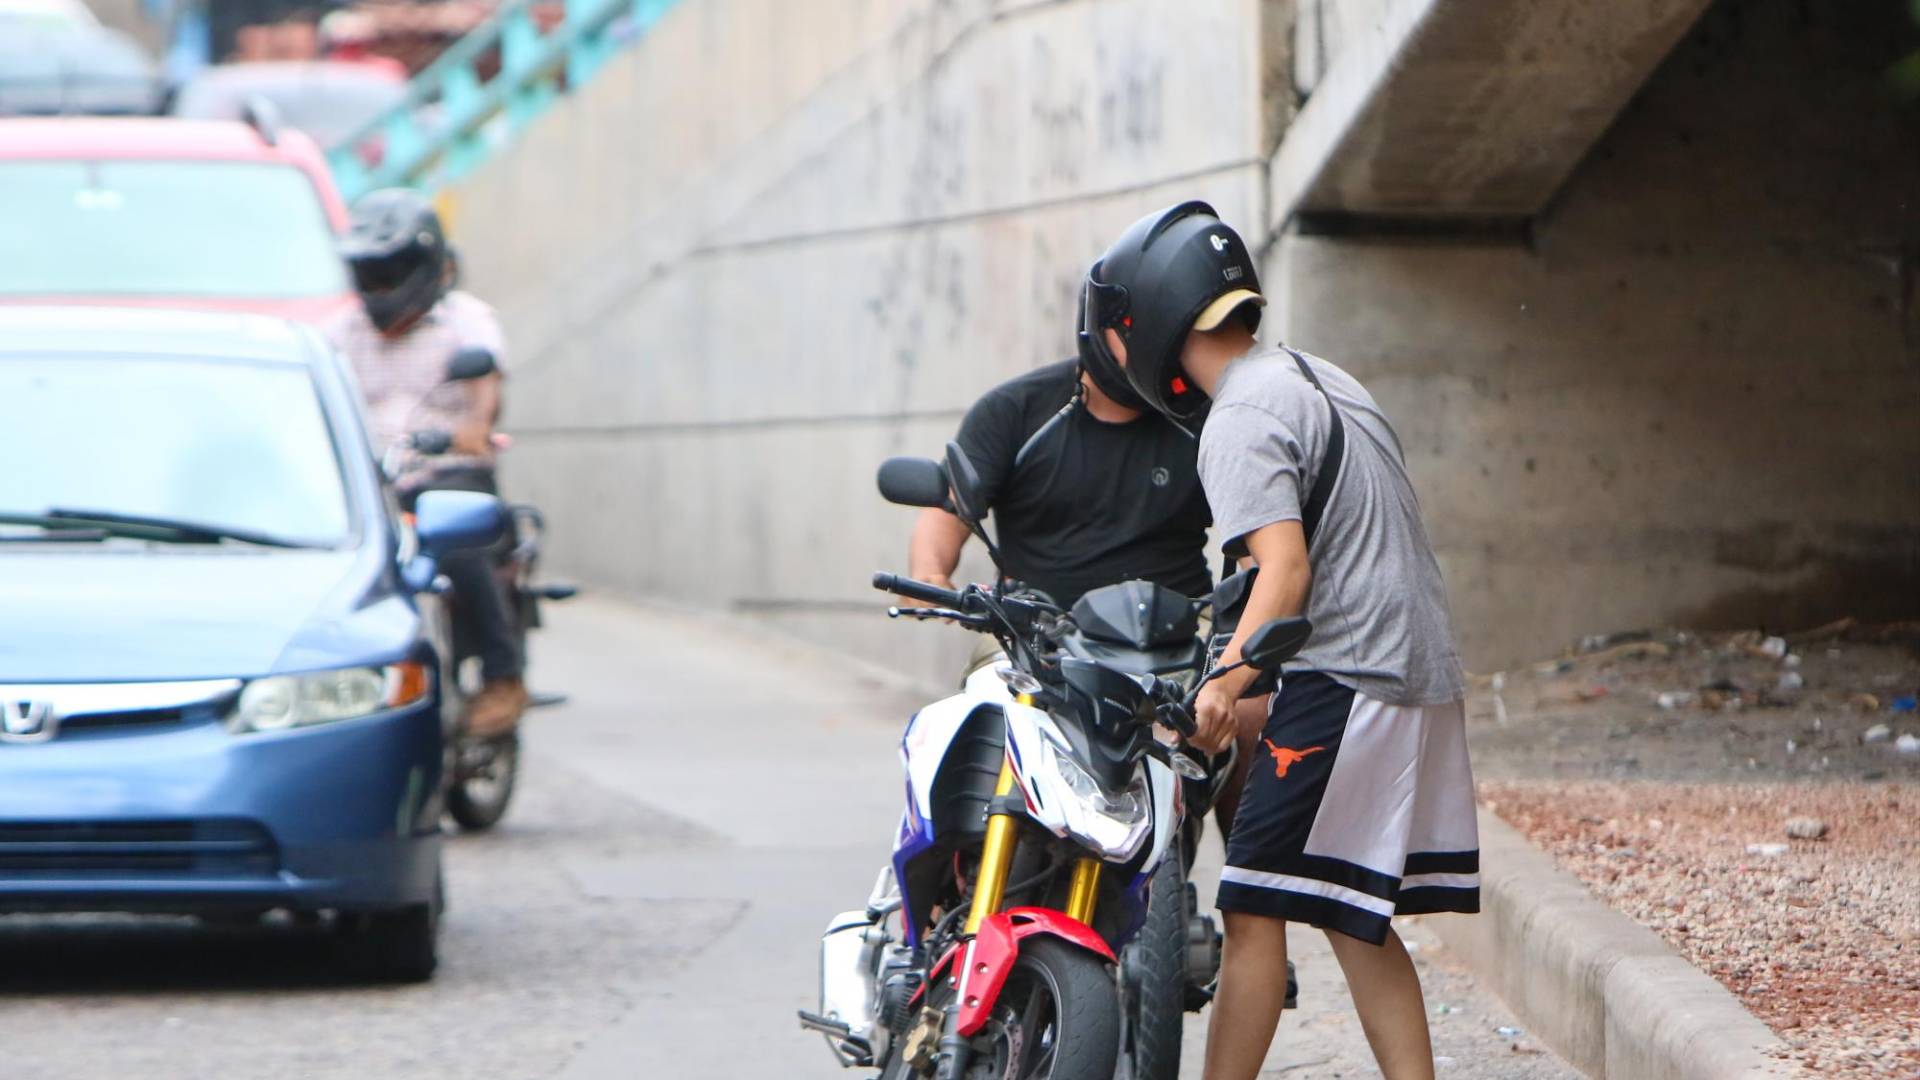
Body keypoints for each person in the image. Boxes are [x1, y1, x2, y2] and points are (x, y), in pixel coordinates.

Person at [1084, 200, 1478, 1080]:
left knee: (1253, 906)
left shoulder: (1240, 417)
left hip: (1349, 677)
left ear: (1155, 323)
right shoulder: (1321, 376)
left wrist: (1223, 685)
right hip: (1415, 670)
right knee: (1347, 911)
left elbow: (1285, 571)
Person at [329, 188, 527, 738]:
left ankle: (502, 677)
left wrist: (476, 427)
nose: (382, 287)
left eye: (393, 272)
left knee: (458, 543)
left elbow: (484, 384)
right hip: (368, 484)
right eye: (372, 273)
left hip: (445, 474)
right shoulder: (341, 334)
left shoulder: (466, 321)